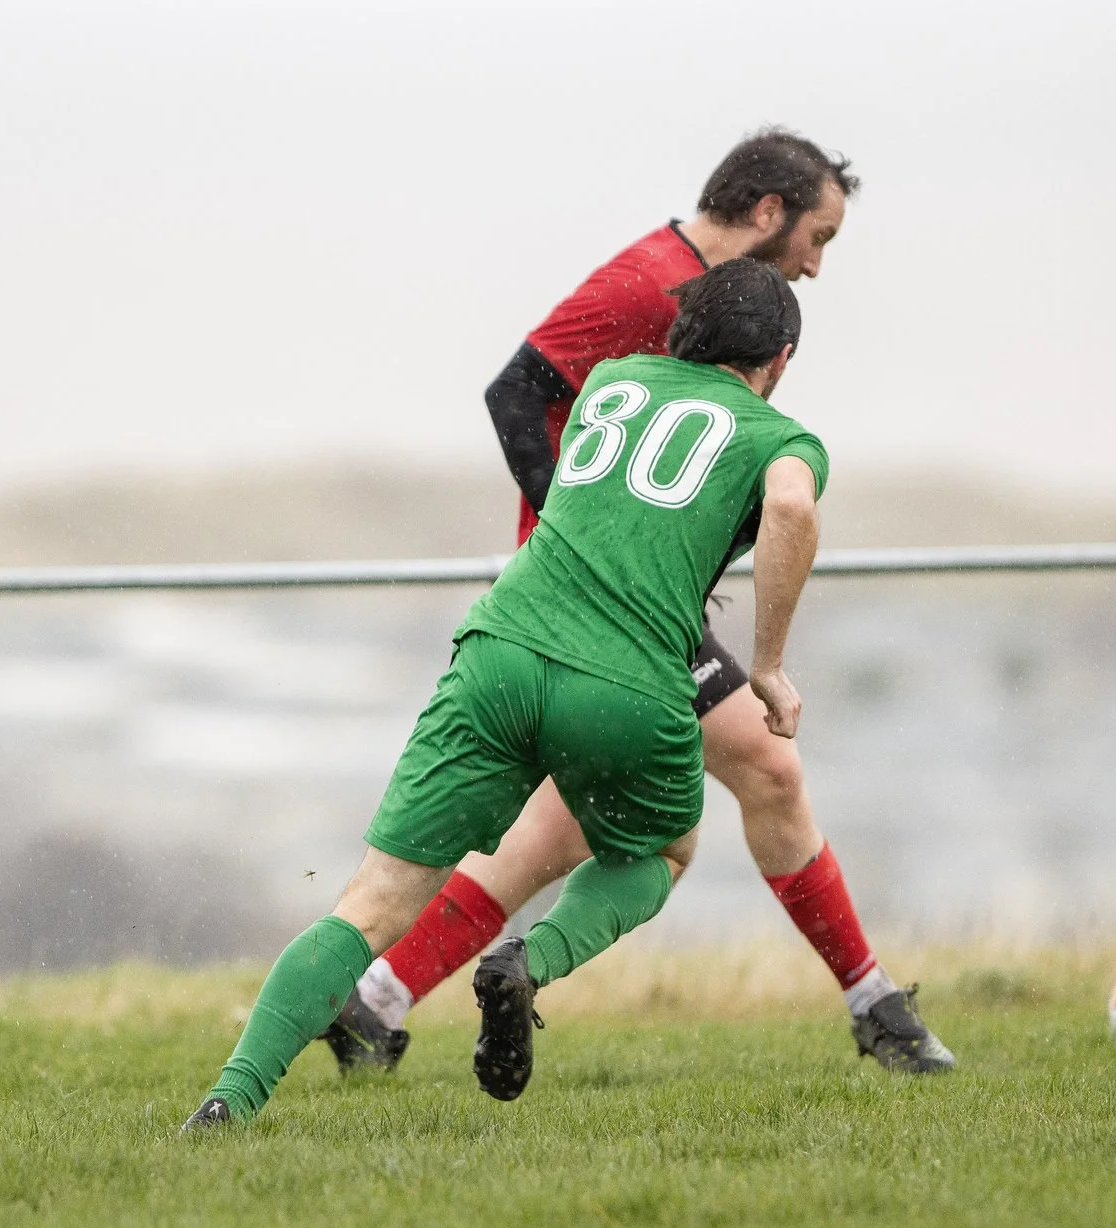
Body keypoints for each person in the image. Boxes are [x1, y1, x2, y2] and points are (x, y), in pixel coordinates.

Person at [326, 128, 953, 1078]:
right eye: (817, 237)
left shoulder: (712, 305)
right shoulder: (643, 283)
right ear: (771, 213)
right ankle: (875, 1008)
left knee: (576, 826)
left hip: (622, 610)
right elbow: (515, 392)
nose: (817, 267)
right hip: (599, 609)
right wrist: (578, 533)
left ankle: (375, 999)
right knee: (730, 789)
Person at [188, 260, 837, 1129]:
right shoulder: (781, 436)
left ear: (682, 331)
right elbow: (791, 510)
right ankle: (525, 965)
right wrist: (767, 664)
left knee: (375, 901)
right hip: (629, 685)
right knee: (663, 852)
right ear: (781, 359)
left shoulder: (612, 379)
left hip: (499, 652)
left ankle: (229, 1102)